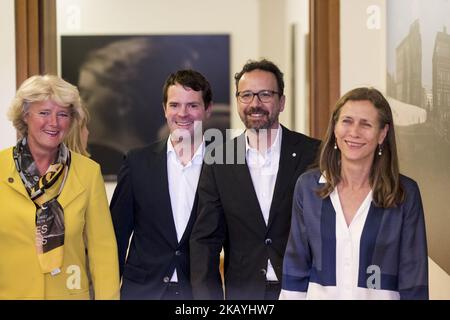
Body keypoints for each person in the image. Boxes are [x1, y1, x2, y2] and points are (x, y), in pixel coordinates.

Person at [189, 59, 321, 300]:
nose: (255, 104)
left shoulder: (313, 154)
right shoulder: (219, 158)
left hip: (304, 290)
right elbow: (205, 239)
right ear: (238, 101)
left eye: (265, 94)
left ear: (281, 102)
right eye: (246, 95)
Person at [280, 87, 429, 300]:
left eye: (366, 124)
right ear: (334, 128)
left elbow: (413, 277)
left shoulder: (404, 193)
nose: (354, 132)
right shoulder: (308, 187)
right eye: (347, 121)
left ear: (382, 134)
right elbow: (296, 265)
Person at [0, 75, 120, 299]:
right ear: (25, 115)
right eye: (44, 113)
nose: (54, 123)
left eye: (62, 114)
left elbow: (102, 251)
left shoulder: (88, 172)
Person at [110, 69, 213, 299]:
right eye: (175, 105)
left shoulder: (224, 166)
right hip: (142, 291)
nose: (183, 114)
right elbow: (117, 235)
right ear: (164, 109)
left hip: (199, 294)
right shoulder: (136, 162)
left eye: (193, 106)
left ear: (208, 109)